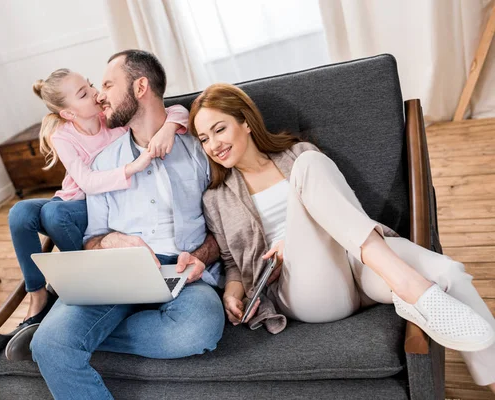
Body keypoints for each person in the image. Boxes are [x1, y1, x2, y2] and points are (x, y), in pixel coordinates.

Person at [190, 83, 495, 392]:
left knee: (449, 274)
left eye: (219, 129)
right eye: (204, 139)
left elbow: (345, 212)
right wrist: (232, 293)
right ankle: (408, 284)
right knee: (307, 170)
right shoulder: (216, 199)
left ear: (245, 122)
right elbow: (231, 262)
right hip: (308, 288)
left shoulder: (298, 153)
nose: (213, 144)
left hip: (358, 260)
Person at [30, 50, 225, 399]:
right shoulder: (103, 165)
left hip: (184, 273)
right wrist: (112, 242)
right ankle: (61, 335)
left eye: (107, 84)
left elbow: (225, 227)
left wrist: (202, 255)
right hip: (116, 273)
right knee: (50, 345)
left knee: (199, 329)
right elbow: (91, 241)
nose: (99, 94)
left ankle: (85, 336)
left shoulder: (199, 149)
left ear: (140, 87)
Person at [7, 68, 189, 334]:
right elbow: (87, 183)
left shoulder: (111, 118)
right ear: (69, 113)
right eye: (84, 94)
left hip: (94, 206)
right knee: (20, 213)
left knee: (55, 215)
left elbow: (177, 110)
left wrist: (169, 129)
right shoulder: (63, 136)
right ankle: (38, 295)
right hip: (75, 200)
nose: (94, 93)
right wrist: (132, 168)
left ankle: (81, 283)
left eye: (90, 85)